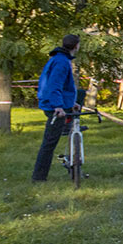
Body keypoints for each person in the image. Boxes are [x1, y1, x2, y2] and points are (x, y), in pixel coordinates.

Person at [31, 34, 81, 182]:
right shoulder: (61, 62)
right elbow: (55, 85)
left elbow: (64, 87)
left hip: (59, 104)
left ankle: (41, 176)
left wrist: (71, 102)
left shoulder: (59, 59)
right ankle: (39, 178)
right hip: (55, 107)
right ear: (76, 46)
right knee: (49, 143)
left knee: (51, 141)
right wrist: (58, 106)